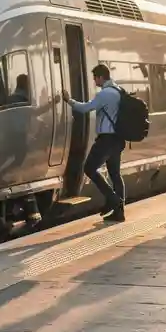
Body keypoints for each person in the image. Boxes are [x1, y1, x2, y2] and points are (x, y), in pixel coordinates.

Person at [62, 64, 125, 222]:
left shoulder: (105, 94)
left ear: (100, 77)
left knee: (89, 168)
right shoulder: (119, 90)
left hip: (106, 139)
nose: (94, 81)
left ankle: (113, 200)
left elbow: (86, 108)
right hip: (118, 138)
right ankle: (119, 212)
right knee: (115, 174)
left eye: (95, 78)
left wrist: (69, 101)